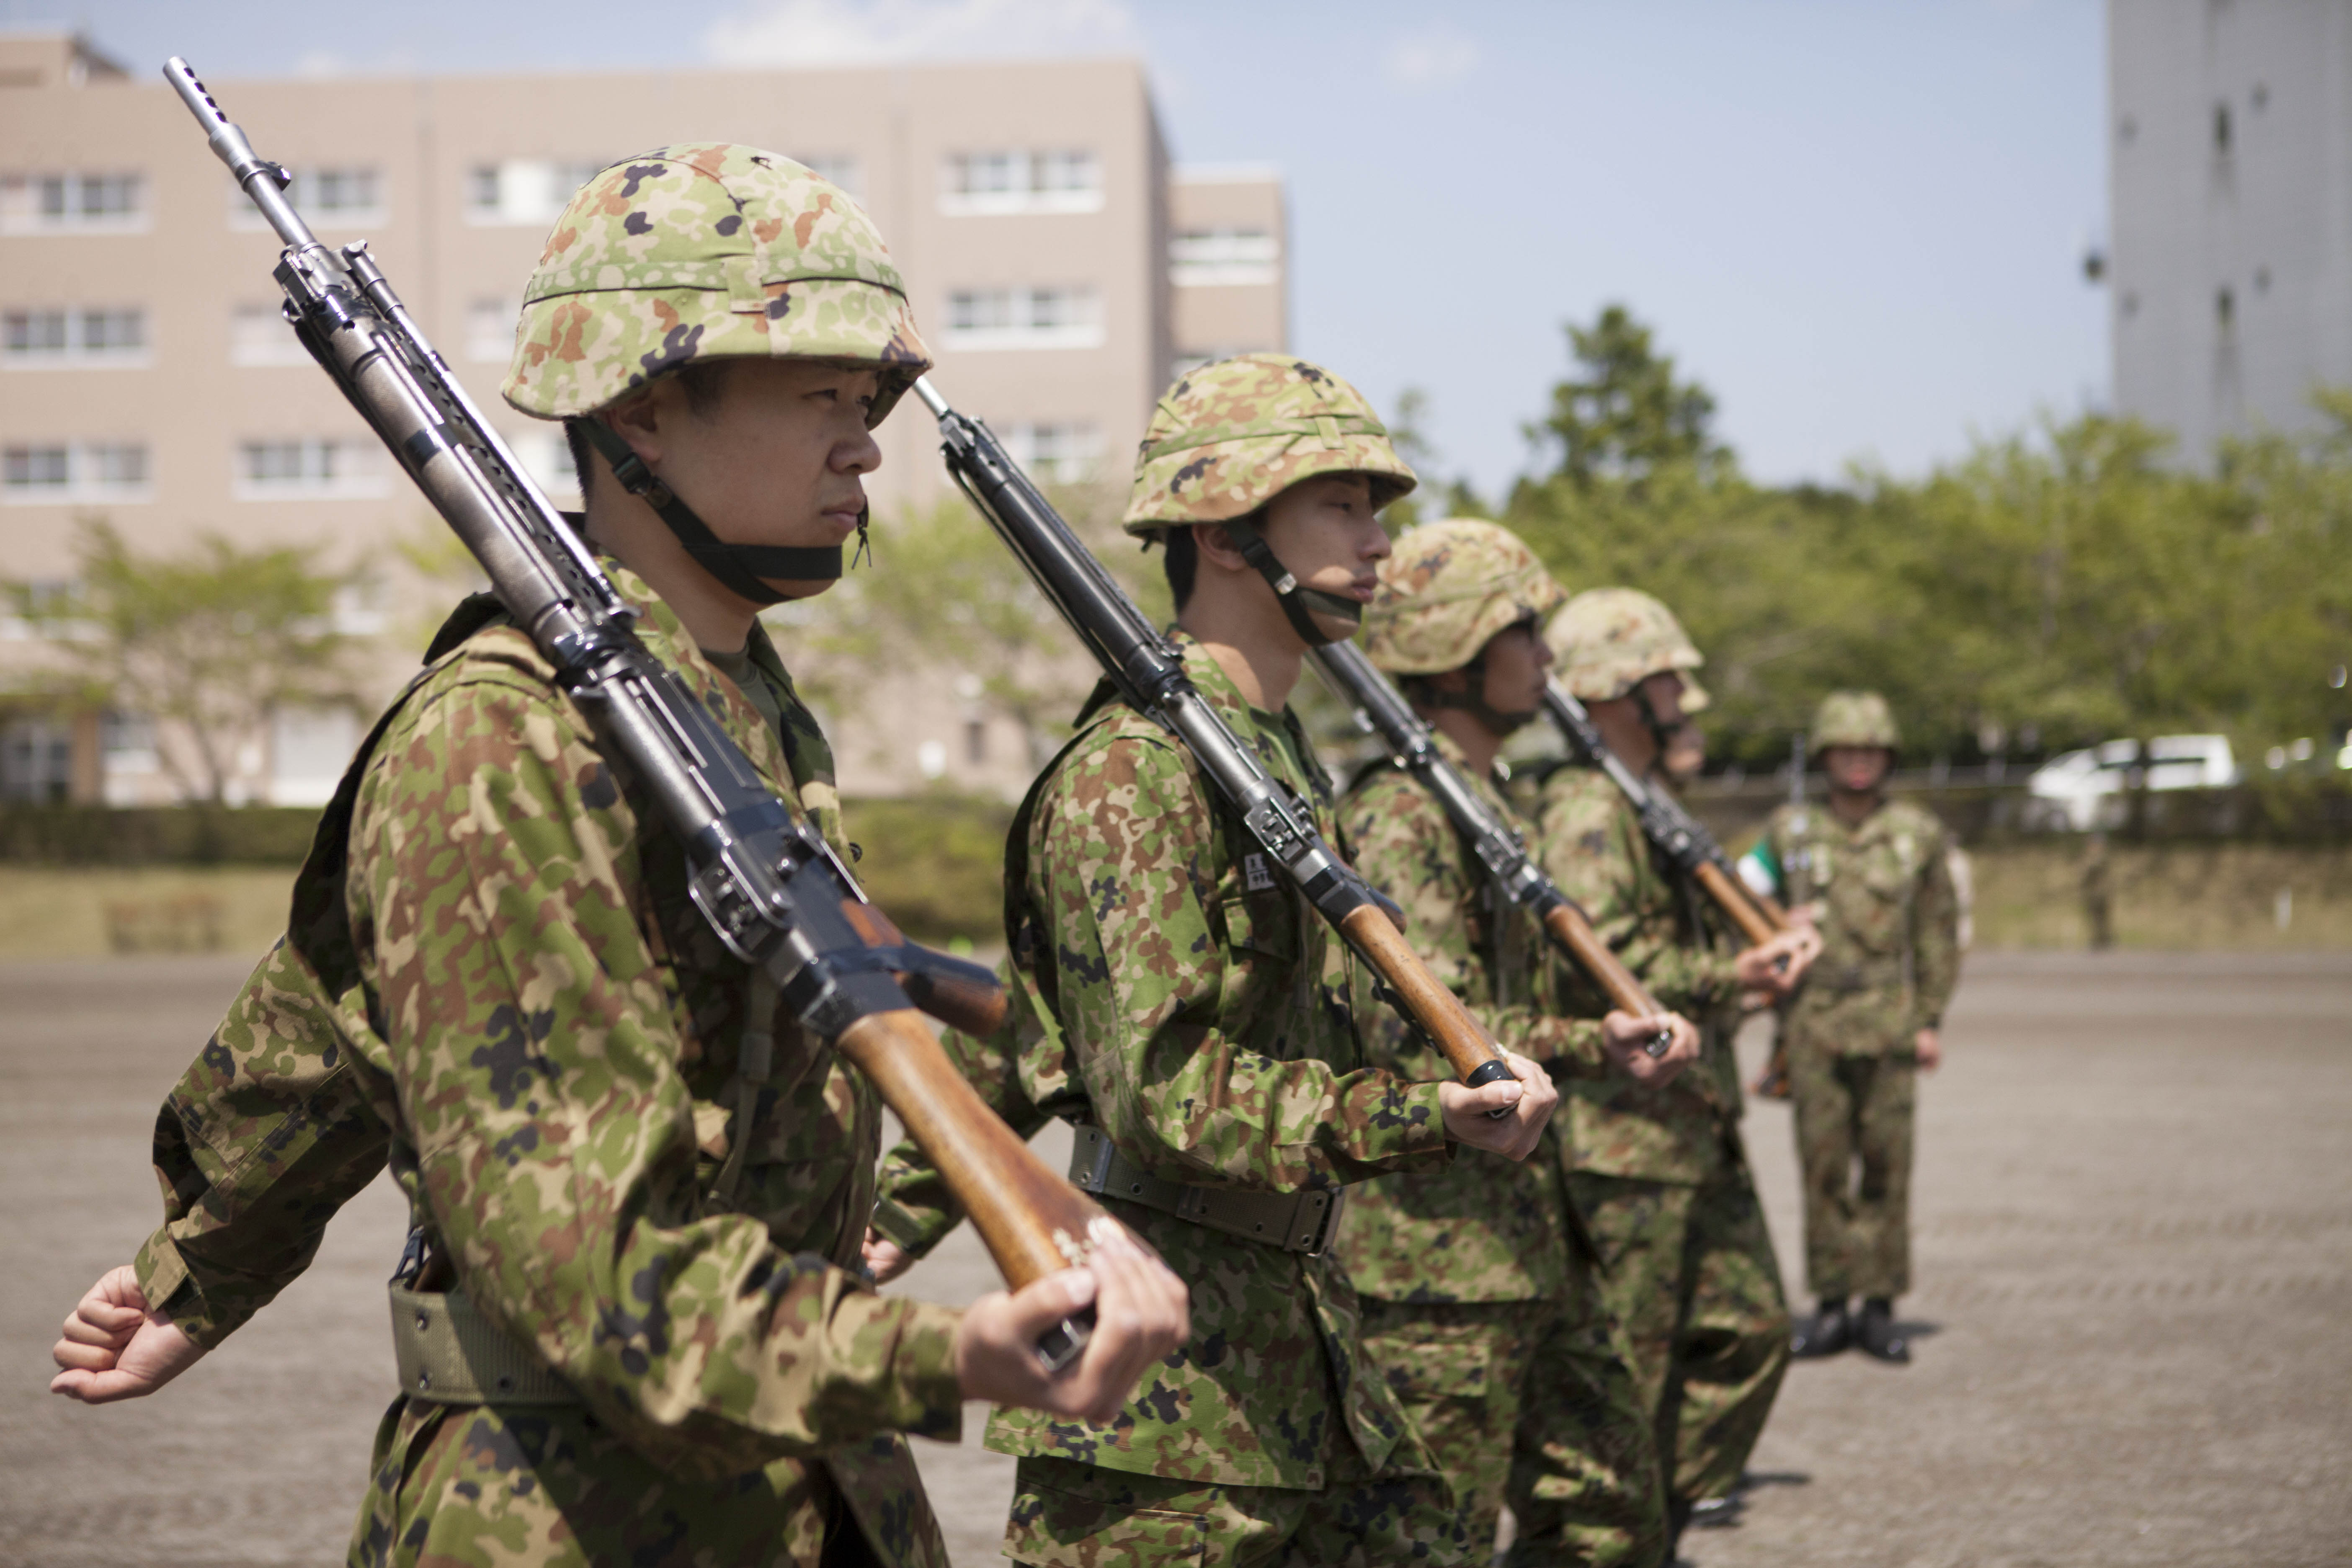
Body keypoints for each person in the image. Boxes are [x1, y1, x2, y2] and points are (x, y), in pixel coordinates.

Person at [47, 145, 1189, 1568]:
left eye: (871, 400)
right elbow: (575, 1252)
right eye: (820, 397)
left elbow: (333, 1007)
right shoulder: (497, 737)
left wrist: (198, 1266)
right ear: (644, 409)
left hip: (817, 1489)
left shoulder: (739, 703)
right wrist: (947, 1352)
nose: (866, 445)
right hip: (564, 1509)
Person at [865, 356, 1560, 1566]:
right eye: (1339, 506)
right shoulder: (1136, 773)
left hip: (1300, 1337)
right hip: (1173, 1415)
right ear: (1229, 536)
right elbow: (1160, 1083)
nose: (1377, 543)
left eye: (1376, 508)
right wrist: (1425, 1113)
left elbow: (1045, 1040)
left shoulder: (1273, 753)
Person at [1337, 518, 1699, 1565]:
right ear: (1459, 650)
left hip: (1530, 1228)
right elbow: (1429, 1030)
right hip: (1439, 1262)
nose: (1548, 656)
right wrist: (1593, 1037)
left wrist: (1592, 1036)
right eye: (1525, 629)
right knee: (1434, 1541)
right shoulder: (1406, 814)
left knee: (1613, 1510)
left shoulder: (1481, 798)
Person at [1512, 588, 1817, 1542]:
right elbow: (1601, 965)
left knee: (1755, 1328)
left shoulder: (1644, 800)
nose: (1688, 700)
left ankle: (1658, 1524)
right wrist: (1733, 971)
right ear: (1615, 694)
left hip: (1690, 1124)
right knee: (1623, 1387)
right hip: (1626, 1140)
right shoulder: (1591, 809)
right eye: (1668, 682)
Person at [1741, 691, 1961, 1365]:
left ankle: (1880, 1307)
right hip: (1812, 1021)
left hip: (1889, 1020)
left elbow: (1937, 934)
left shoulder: (1917, 834)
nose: (1858, 763)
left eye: (1871, 751)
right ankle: (1832, 1306)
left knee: (1887, 1171)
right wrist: (1775, 922)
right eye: (1846, 750)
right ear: (1827, 756)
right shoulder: (1791, 831)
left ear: (1887, 757)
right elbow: (1735, 891)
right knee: (1824, 1168)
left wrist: (1928, 1020)